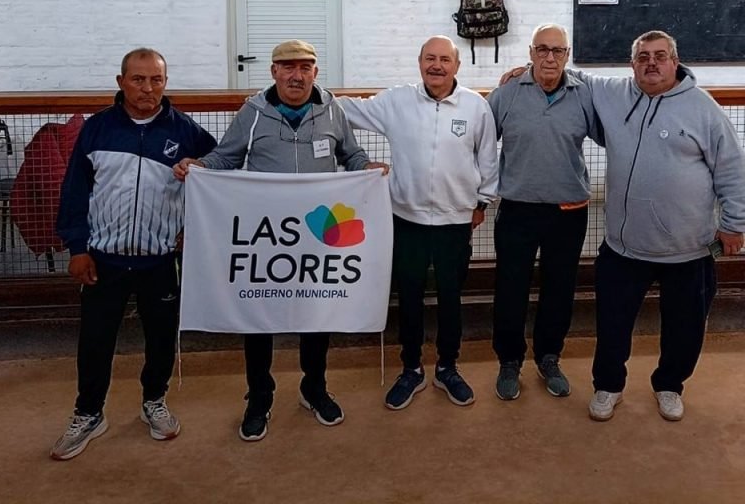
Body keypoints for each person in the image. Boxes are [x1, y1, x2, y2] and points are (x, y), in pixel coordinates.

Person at [503, 30, 745, 420]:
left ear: (675, 61)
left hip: (688, 249)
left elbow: (732, 170)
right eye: (643, 57)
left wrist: (734, 224)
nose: (652, 63)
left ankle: (669, 385)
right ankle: (608, 386)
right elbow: (570, 72)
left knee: (685, 328)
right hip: (624, 247)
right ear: (632, 64)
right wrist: (529, 70)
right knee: (612, 325)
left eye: (660, 56)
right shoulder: (613, 93)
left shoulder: (704, 109)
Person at [173, 39, 387, 442]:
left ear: (315, 73)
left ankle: (314, 388)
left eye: (305, 67)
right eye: (288, 67)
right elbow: (226, 157)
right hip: (268, 238)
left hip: (317, 234)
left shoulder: (332, 110)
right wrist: (199, 167)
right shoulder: (253, 113)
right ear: (273, 72)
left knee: (318, 313)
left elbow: (351, 155)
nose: (296, 75)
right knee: (258, 315)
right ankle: (259, 396)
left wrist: (368, 169)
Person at [51, 48, 217, 460]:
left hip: (159, 260)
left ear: (165, 82)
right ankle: (89, 412)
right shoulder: (97, 129)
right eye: (138, 79)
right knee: (95, 340)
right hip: (103, 259)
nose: (147, 88)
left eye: (156, 79)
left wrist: (197, 189)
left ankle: (154, 401)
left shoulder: (186, 131)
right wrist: (77, 248)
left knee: (160, 338)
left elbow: (218, 173)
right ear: (121, 82)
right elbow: (75, 191)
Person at [339, 35, 499, 410]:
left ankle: (447, 368)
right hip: (406, 219)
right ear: (420, 62)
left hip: (455, 222)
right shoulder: (397, 101)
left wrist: (482, 203)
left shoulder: (476, 107)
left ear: (457, 66)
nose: (436, 65)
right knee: (409, 297)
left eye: (444, 59)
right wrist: (305, 93)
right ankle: (411, 368)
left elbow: (489, 160)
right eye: (430, 58)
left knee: (450, 298)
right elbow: (348, 109)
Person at [487, 24, 599, 401]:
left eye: (558, 51)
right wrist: (477, 196)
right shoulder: (506, 94)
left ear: (567, 55)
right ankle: (509, 361)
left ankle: (549, 357)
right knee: (510, 289)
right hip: (517, 211)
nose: (550, 57)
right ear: (531, 52)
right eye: (543, 49)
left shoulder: (584, 95)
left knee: (560, 289)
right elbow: (479, 144)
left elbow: (611, 131)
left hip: (568, 212)